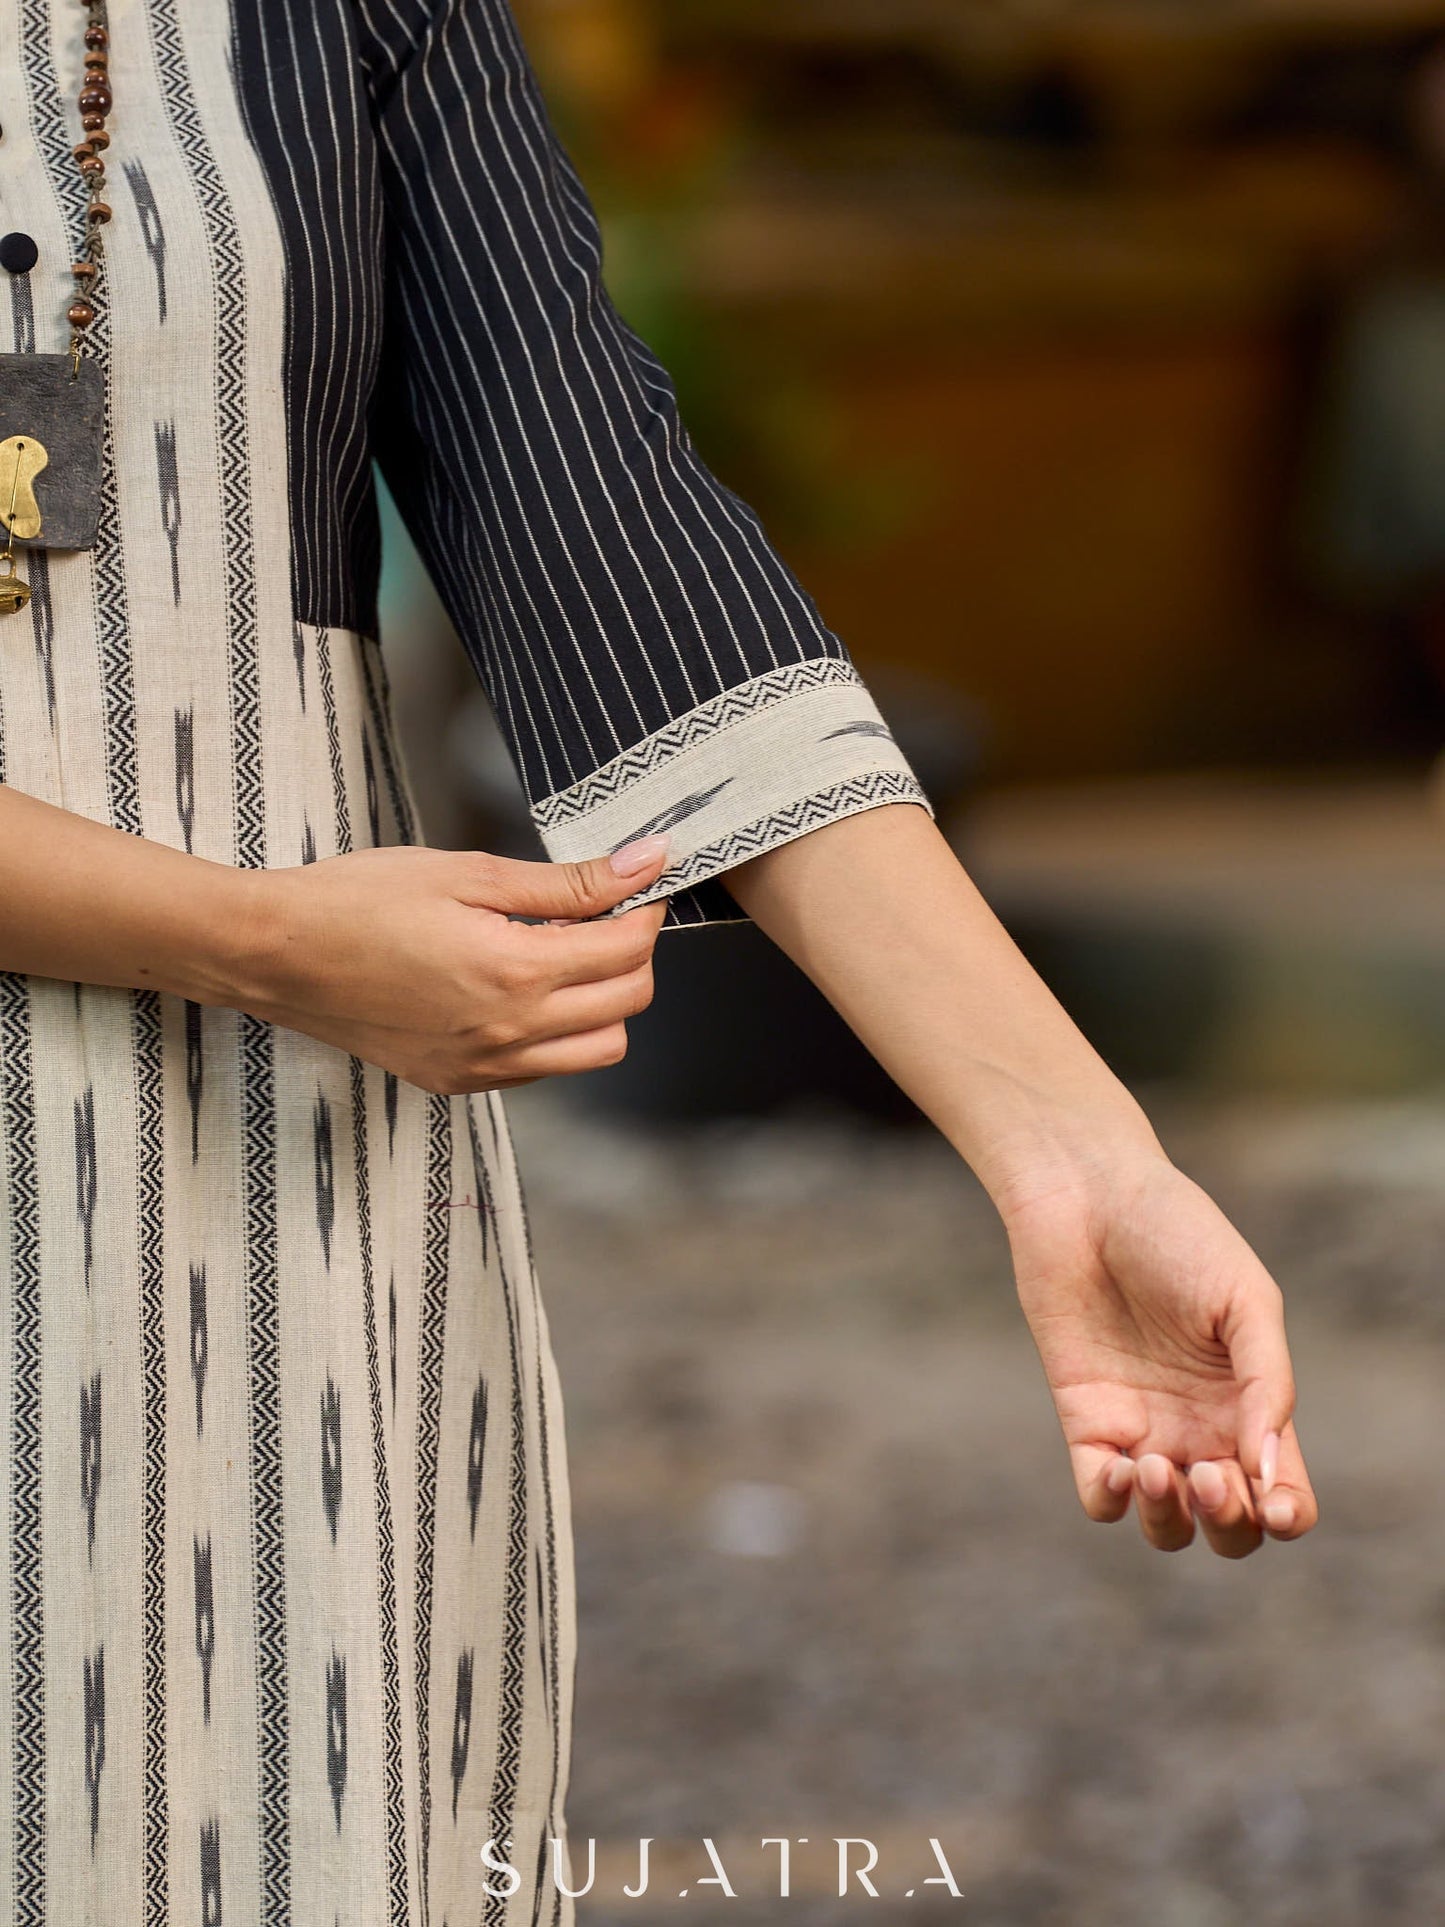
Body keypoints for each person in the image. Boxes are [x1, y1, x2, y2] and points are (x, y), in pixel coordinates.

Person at [0, 0, 1316, 1920]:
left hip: (279, 1221)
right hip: (298, 1007)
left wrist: (1079, 1162)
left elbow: (591, 518)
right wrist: (261, 937)